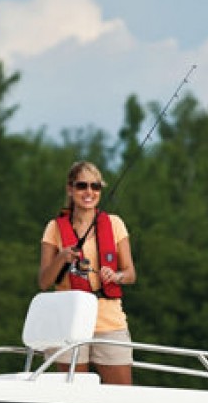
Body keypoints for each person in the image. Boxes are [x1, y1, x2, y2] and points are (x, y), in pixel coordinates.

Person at [37, 160, 136, 385]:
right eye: (82, 186)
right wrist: (61, 257)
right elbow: (43, 282)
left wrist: (116, 276)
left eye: (96, 186)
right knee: (75, 395)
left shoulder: (115, 223)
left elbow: (130, 273)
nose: (89, 192)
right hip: (67, 320)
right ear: (70, 189)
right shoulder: (54, 228)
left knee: (122, 395)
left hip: (109, 321)